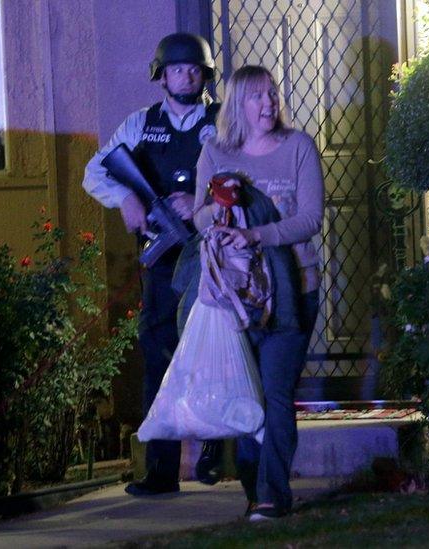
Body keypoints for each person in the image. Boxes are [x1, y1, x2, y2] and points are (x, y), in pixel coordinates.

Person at [82, 32, 223, 496]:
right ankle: (159, 471)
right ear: (161, 74)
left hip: (213, 255)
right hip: (161, 261)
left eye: (194, 68)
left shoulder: (223, 122)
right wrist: (124, 195)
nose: (186, 75)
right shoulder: (139, 125)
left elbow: (244, 176)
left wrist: (199, 200)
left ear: (206, 74)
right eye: (177, 68)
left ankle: (213, 456)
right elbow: (94, 171)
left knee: (213, 353)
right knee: (158, 357)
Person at [193, 65, 323, 521]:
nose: (269, 103)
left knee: (276, 392)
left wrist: (258, 236)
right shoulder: (214, 153)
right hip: (237, 297)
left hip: (294, 289)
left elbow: (310, 219)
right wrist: (218, 203)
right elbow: (198, 220)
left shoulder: (298, 148)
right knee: (248, 395)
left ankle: (271, 494)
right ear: (237, 105)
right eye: (257, 97)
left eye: (272, 95)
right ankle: (255, 490)